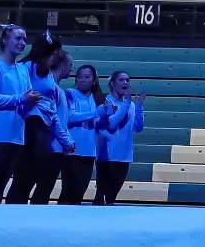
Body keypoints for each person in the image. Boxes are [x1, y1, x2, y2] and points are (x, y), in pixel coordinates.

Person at [0, 24, 41, 204]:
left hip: (16, 135)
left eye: (25, 39)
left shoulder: (22, 70)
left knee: (1, 184)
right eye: (18, 38)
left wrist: (31, 103)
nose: (22, 43)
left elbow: (25, 100)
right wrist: (21, 99)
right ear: (4, 39)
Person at [7, 38, 73, 203]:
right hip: (30, 125)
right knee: (23, 176)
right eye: (59, 50)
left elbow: (52, 111)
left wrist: (65, 140)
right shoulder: (27, 68)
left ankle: (19, 210)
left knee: (31, 176)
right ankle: (11, 210)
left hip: (43, 127)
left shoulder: (48, 75)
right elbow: (17, 93)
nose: (61, 54)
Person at [96, 70, 145, 205]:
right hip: (107, 155)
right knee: (101, 196)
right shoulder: (105, 102)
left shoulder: (131, 105)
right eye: (121, 80)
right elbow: (112, 123)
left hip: (124, 154)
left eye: (127, 80)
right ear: (112, 83)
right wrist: (127, 103)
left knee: (112, 197)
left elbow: (138, 128)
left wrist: (139, 107)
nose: (125, 83)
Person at [56, 64, 103, 203]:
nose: (82, 80)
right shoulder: (70, 93)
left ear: (94, 80)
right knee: (69, 191)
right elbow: (68, 116)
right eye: (79, 77)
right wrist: (95, 113)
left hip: (89, 152)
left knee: (80, 192)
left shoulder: (97, 99)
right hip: (72, 151)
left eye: (87, 77)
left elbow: (99, 123)